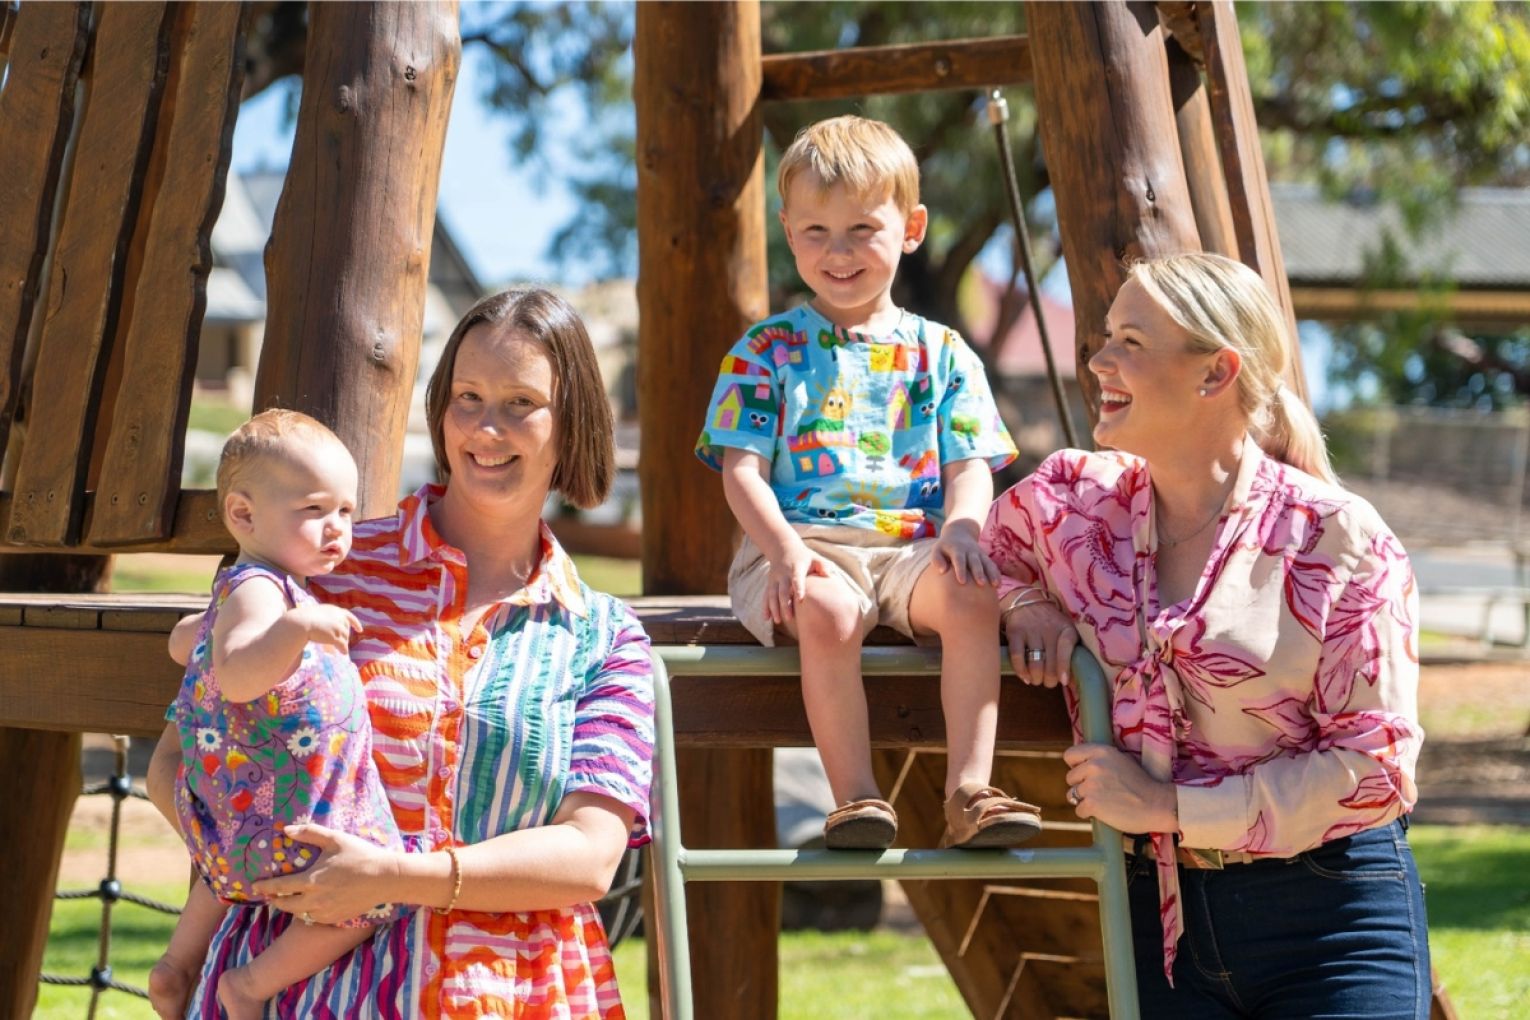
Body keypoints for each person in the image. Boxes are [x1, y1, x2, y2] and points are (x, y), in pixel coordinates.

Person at [148, 288, 654, 1018]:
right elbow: (179, 759)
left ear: (572, 420)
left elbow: (590, 855)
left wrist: (393, 874)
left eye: (521, 403)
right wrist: (264, 861)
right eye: (467, 396)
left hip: (514, 993)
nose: (487, 426)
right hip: (298, 990)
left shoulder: (604, 635)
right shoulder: (322, 573)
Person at [982, 252, 1430, 1017]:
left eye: (1130, 341)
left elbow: (1377, 766)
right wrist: (1025, 601)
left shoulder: (1334, 538)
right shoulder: (1074, 505)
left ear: (1215, 374)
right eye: (1104, 338)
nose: (1098, 360)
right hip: (1159, 928)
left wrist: (1168, 807)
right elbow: (975, 553)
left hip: (1331, 917)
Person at [696, 114, 1041, 851]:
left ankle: (969, 791)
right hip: (798, 544)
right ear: (787, 232)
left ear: (911, 227)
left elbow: (969, 463)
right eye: (816, 232)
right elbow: (742, 470)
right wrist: (785, 551)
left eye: (861, 229)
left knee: (974, 594)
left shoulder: (942, 351)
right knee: (827, 611)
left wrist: (962, 528)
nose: (838, 252)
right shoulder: (766, 350)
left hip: (909, 549)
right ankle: (856, 798)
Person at [148, 410, 405, 1020]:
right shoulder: (268, 594)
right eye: (314, 510)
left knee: (222, 879)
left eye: (345, 510)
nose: (337, 528)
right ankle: (251, 986)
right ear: (243, 515)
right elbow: (237, 674)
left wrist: (199, 635)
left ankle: (175, 966)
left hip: (235, 823)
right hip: (288, 828)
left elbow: (187, 644)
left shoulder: (244, 591)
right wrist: (296, 629)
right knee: (374, 898)